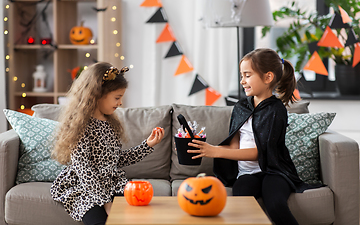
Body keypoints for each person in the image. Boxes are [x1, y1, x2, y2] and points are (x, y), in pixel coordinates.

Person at [188, 48, 320, 225]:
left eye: (247, 75)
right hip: (247, 174)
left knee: (275, 206)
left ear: (268, 78)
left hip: (274, 172)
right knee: (242, 202)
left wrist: (215, 152)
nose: (242, 81)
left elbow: (260, 153)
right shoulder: (240, 108)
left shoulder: (276, 110)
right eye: (241, 75)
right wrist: (205, 148)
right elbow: (234, 148)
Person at [50, 62, 165, 225]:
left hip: (111, 184)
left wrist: (147, 145)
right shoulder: (81, 127)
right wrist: (106, 203)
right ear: (97, 94)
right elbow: (85, 170)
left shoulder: (110, 123)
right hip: (85, 188)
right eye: (117, 98)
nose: (120, 103)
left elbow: (117, 160)